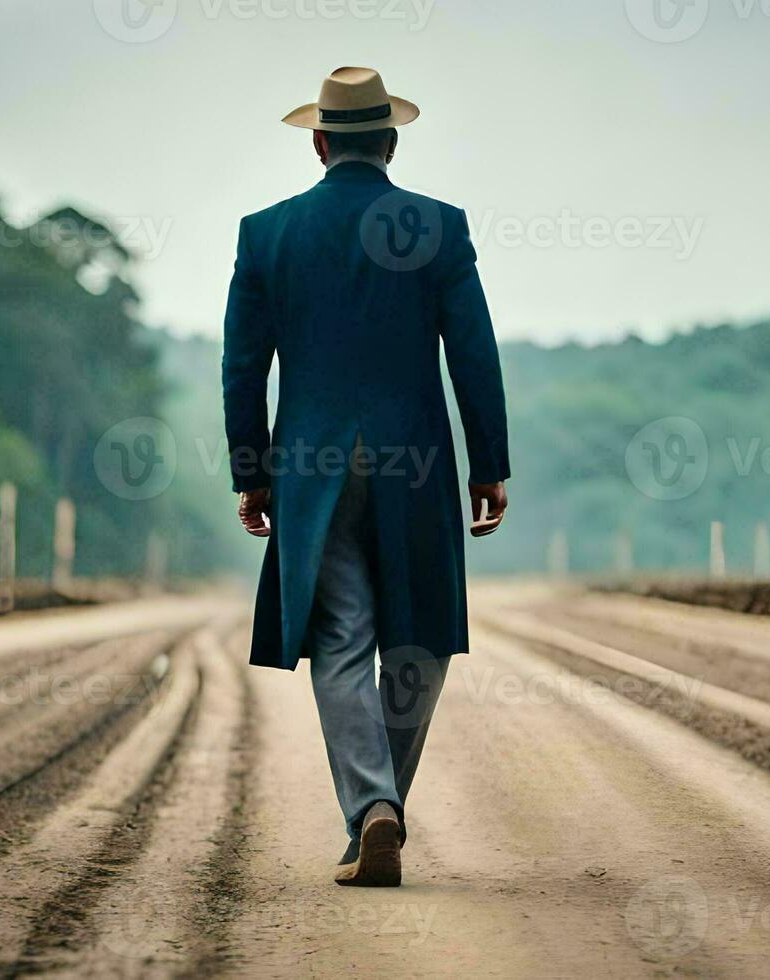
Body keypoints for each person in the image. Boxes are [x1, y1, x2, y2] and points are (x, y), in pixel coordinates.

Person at [221, 67, 510, 886]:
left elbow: (242, 368)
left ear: (318, 142)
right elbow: (474, 355)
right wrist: (488, 463)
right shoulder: (439, 228)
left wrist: (254, 470)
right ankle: (380, 807)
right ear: (391, 141)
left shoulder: (266, 233)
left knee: (339, 640)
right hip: (414, 464)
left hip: (313, 467)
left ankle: (371, 809)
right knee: (416, 642)